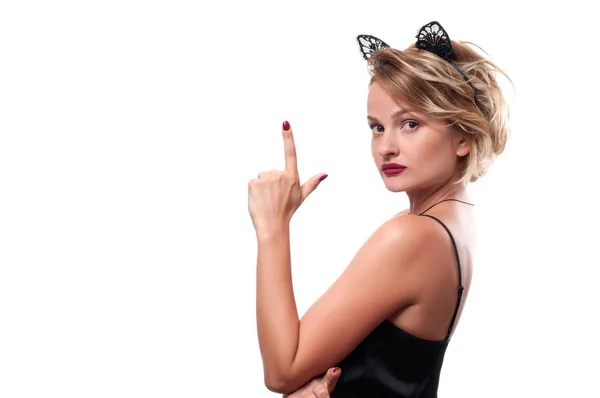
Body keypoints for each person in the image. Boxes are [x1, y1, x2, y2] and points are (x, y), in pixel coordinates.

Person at [248, 21, 510, 397]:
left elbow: (282, 370)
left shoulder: (411, 236)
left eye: (410, 124)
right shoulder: (453, 220)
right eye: (376, 127)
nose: (386, 147)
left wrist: (272, 226)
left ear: (463, 138)